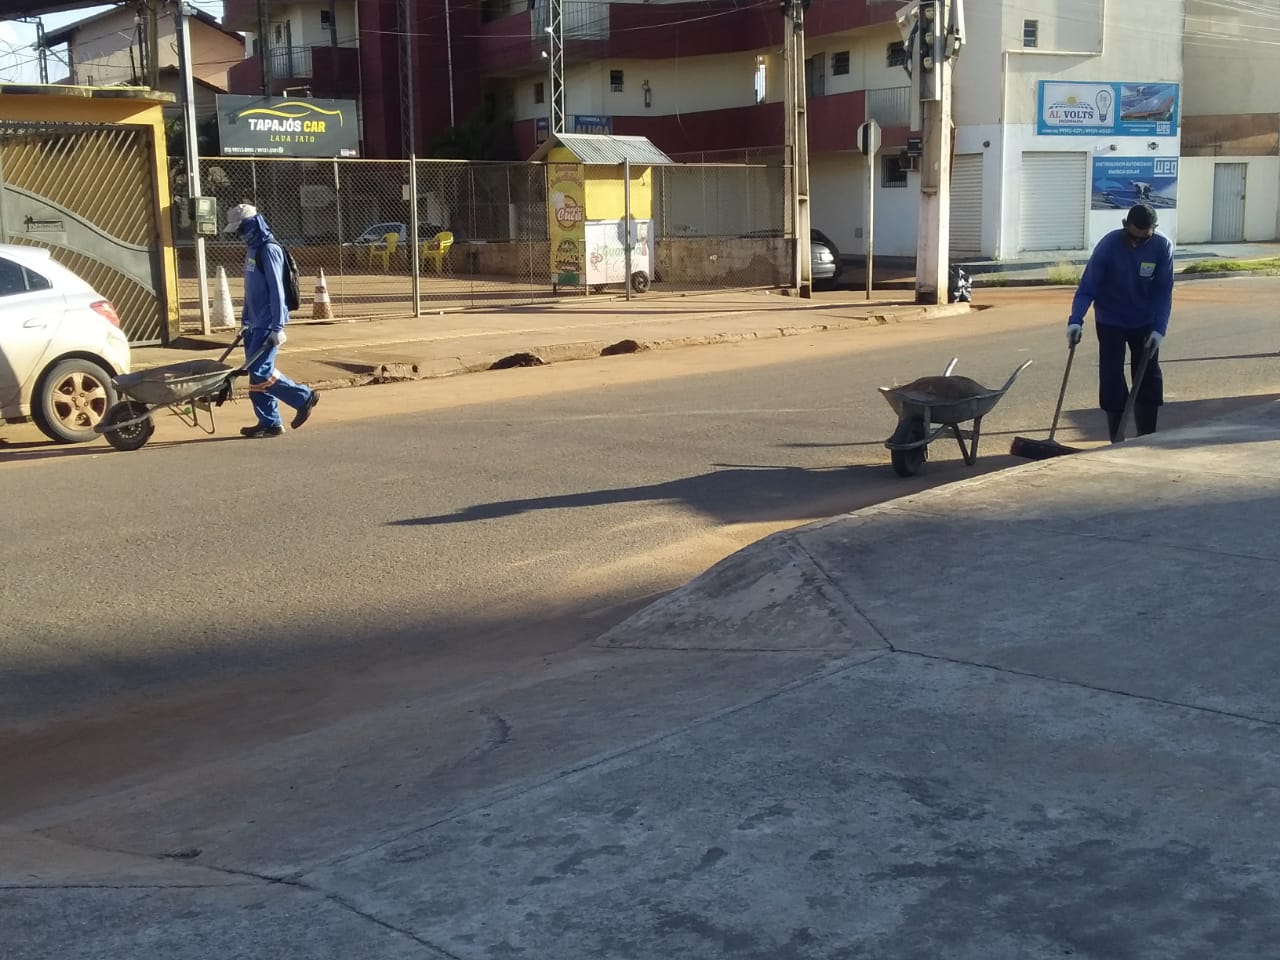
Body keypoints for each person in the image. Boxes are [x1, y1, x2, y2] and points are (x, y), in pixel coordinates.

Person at [1067, 202, 1174, 441]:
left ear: (1153, 230)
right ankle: (1116, 437)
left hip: (1144, 321)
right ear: (1125, 226)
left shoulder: (1161, 247)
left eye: (1143, 239)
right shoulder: (1109, 245)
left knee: (1147, 375)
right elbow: (1087, 287)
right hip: (1111, 318)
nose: (1136, 243)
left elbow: (1163, 292)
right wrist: (1076, 321)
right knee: (1112, 374)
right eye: (1132, 237)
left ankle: (1147, 436)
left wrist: (1159, 329)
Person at [224, 203, 319, 438]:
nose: (240, 235)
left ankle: (303, 396)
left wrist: (278, 326)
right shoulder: (252, 249)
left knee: (262, 371)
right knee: (256, 377)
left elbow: (277, 291)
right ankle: (270, 422)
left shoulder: (268, 249)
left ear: (253, 224)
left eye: (242, 229)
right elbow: (250, 288)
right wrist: (245, 319)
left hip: (268, 323)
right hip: (255, 323)